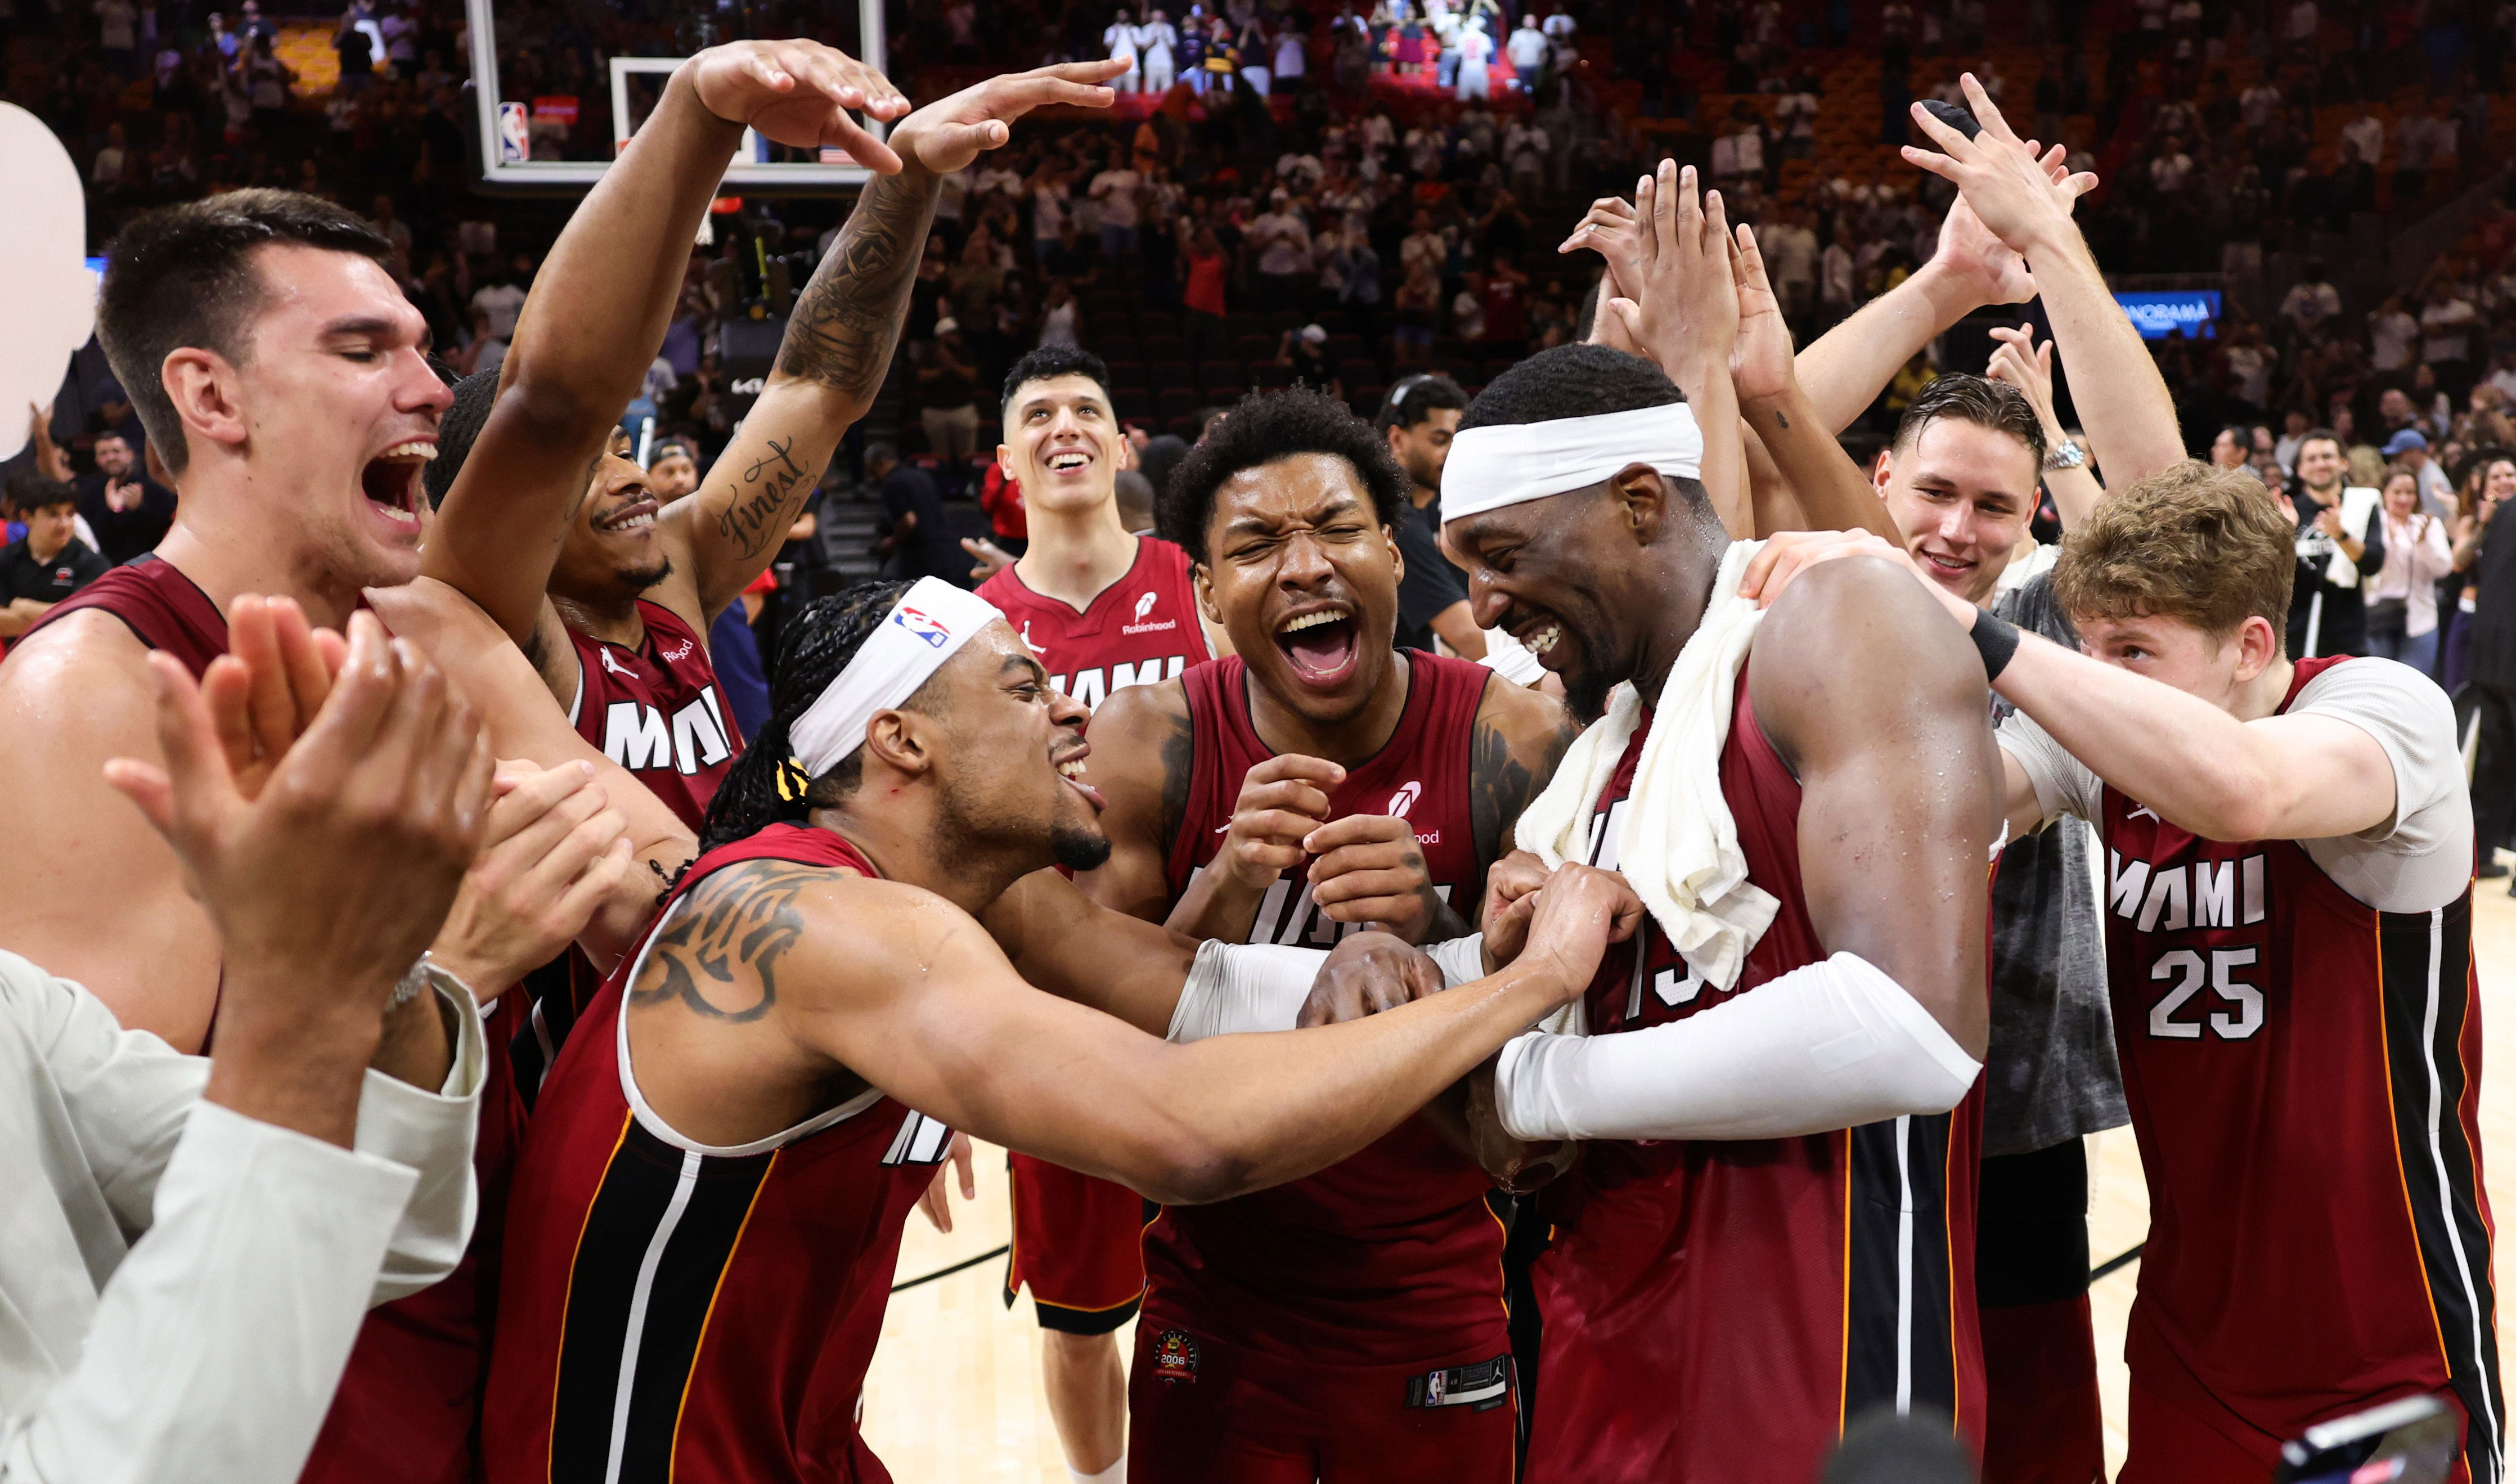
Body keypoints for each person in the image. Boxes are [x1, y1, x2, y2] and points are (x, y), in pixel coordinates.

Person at [482, 578, 1636, 1484]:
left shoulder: (966, 897)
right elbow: (1184, 1128)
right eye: (1025, 686)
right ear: (903, 741)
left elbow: (1198, 985)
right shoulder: (823, 918)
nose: (1073, 704)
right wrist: (1532, 981)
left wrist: (1441, 947)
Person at [1746, 461, 2500, 1484]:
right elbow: (1929, 812)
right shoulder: (2105, 757)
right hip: (2191, 1330)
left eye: (2133, 651)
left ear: (2250, 647)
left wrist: (1962, 622)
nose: (2100, 675)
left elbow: (2240, 789)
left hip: (2379, 1339)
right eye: (2091, 647)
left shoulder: (2382, 710)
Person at [1428, 167, 1997, 1483]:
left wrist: (1527, 1072)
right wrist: (1458, 991)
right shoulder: (1616, 742)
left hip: (1815, 1363)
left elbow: (1906, 1030)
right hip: (1606, 1336)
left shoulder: (1837, 621)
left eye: (1503, 556)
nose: (1484, 607)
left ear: (1633, 504)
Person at [1079, 385, 1579, 1480]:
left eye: (1339, 528)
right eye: (1257, 543)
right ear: (1208, 591)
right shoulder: (1145, 736)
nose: (1305, 565)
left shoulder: (1511, 730)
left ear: (1397, 558)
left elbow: (1559, 1053)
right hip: (1212, 1285)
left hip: (1433, 1284)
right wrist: (1221, 886)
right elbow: (1093, 1042)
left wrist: (1435, 923)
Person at [421, 55, 1093, 838]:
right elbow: (552, 407)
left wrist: (906, 175)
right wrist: (702, 115)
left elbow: (815, 384)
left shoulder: (673, 577)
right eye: (590, 463)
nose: (633, 477)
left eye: (620, 447)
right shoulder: (494, 626)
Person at [1, 609, 489, 1484]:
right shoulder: (75, 680)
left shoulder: (12, 1002)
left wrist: (380, 961)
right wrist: (309, 998)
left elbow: (390, 1216)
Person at [972, 344, 1226, 1484]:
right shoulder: (973, 625)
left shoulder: (1199, 578)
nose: (1063, 425)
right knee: (1081, 1316)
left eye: (1087, 407)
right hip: (1062, 1011)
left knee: (1242, 1284)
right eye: (1038, 413)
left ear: (1123, 445)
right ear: (1007, 457)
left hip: (1221, 981)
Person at [1376, 372, 1485, 658]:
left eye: (1458, 441)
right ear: (1397, 439)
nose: (1453, 453)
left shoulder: (1439, 509)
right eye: (1440, 440)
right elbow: (1469, 638)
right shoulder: (1395, 523)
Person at [2284, 429, 2385, 658]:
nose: (2320, 464)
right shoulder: (2288, 510)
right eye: (2312, 458)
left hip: (2348, 638)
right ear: (2300, 469)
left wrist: (2341, 535)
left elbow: (2373, 563)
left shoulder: (2363, 503)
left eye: (2327, 456)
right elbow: (2269, 575)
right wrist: (2282, 533)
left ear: (2344, 463)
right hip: (2295, 637)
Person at [2367, 462, 2455, 674]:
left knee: (2414, 683)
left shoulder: (2428, 524)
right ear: (2385, 493)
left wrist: (2423, 544)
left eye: (2410, 492)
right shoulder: (2375, 525)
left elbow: (2444, 568)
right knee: (2380, 683)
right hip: (2380, 618)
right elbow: (2370, 566)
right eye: (2397, 492)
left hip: (2421, 619)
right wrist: (2393, 538)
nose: (2404, 499)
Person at [0, 478, 109, 640]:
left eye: (70, 514)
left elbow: (85, 618)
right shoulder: (5, 559)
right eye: (53, 515)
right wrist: (59, 615)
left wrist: (26, 608)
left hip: (73, 659)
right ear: (27, 517)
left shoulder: (93, 563)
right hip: (18, 660)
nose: (64, 524)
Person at [870, 442, 967, 583]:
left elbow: (909, 520)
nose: (872, 477)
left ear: (881, 463)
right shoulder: (922, 476)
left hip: (921, 556)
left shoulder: (891, 482)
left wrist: (892, 542)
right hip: (946, 550)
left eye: (872, 471)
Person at [74, 430, 176, 563]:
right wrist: (116, 511)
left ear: (130, 455)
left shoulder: (153, 489)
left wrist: (139, 509)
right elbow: (91, 536)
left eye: (116, 451)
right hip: (107, 567)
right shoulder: (89, 493)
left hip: (151, 564)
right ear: (97, 460)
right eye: (104, 454)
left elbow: (167, 530)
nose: (111, 458)